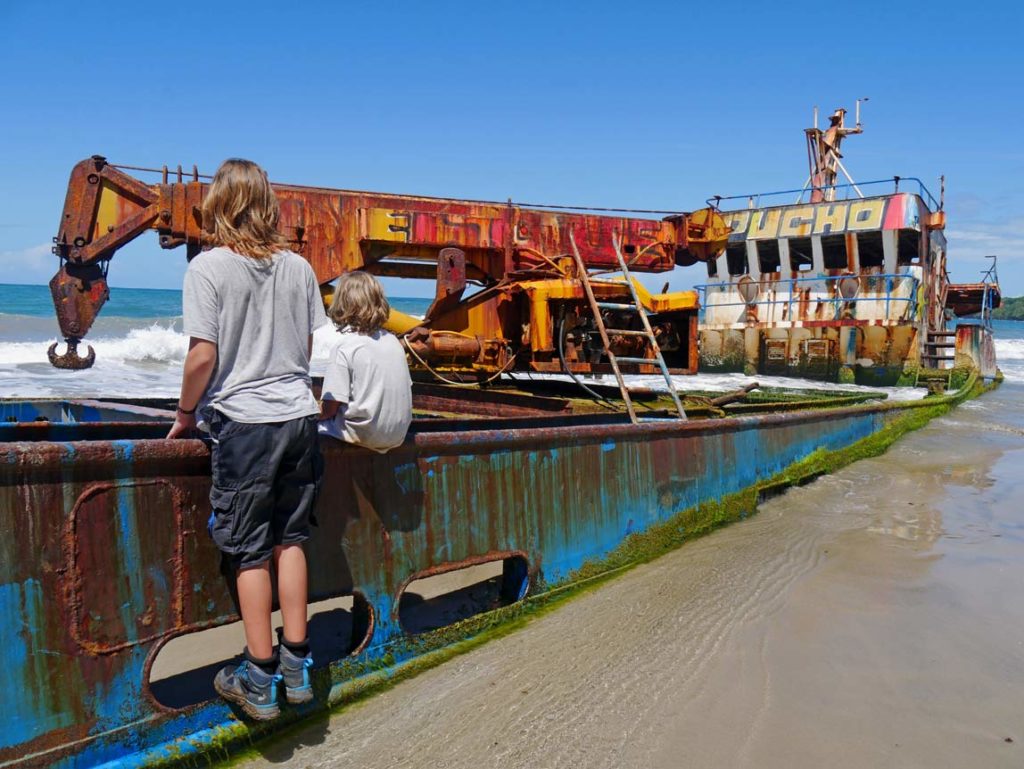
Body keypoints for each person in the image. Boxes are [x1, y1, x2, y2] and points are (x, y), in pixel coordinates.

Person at [167, 158, 329, 721]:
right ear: (267, 204)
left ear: (217, 203)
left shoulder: (208, 268)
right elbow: (310, 350)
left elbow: (203, 356)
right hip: (298, 419)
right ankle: (296, 667)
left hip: (245, 425)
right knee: (292, 540)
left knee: (249, 550)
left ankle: (257, 677)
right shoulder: (299, 267)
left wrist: (186, 413)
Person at [319, 271, 412, 452]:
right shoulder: (394, 343)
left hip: (363, 434)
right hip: (397, 435)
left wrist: (311, 413)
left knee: (304, 433)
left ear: (342, 303)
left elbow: (330, 408)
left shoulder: (345, 346)